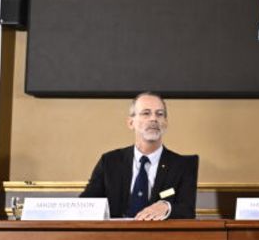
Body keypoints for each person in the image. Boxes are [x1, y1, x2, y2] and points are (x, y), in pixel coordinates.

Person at [81, 91, 198, 219]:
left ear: (165, 122)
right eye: (146, 113)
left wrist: (167, 206)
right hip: (115, 236)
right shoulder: (110, 162)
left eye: (159, 114)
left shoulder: (183, 166)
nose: (154, 119)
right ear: (131, 123)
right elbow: (86, 204)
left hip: (161, 237)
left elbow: (187, 210)